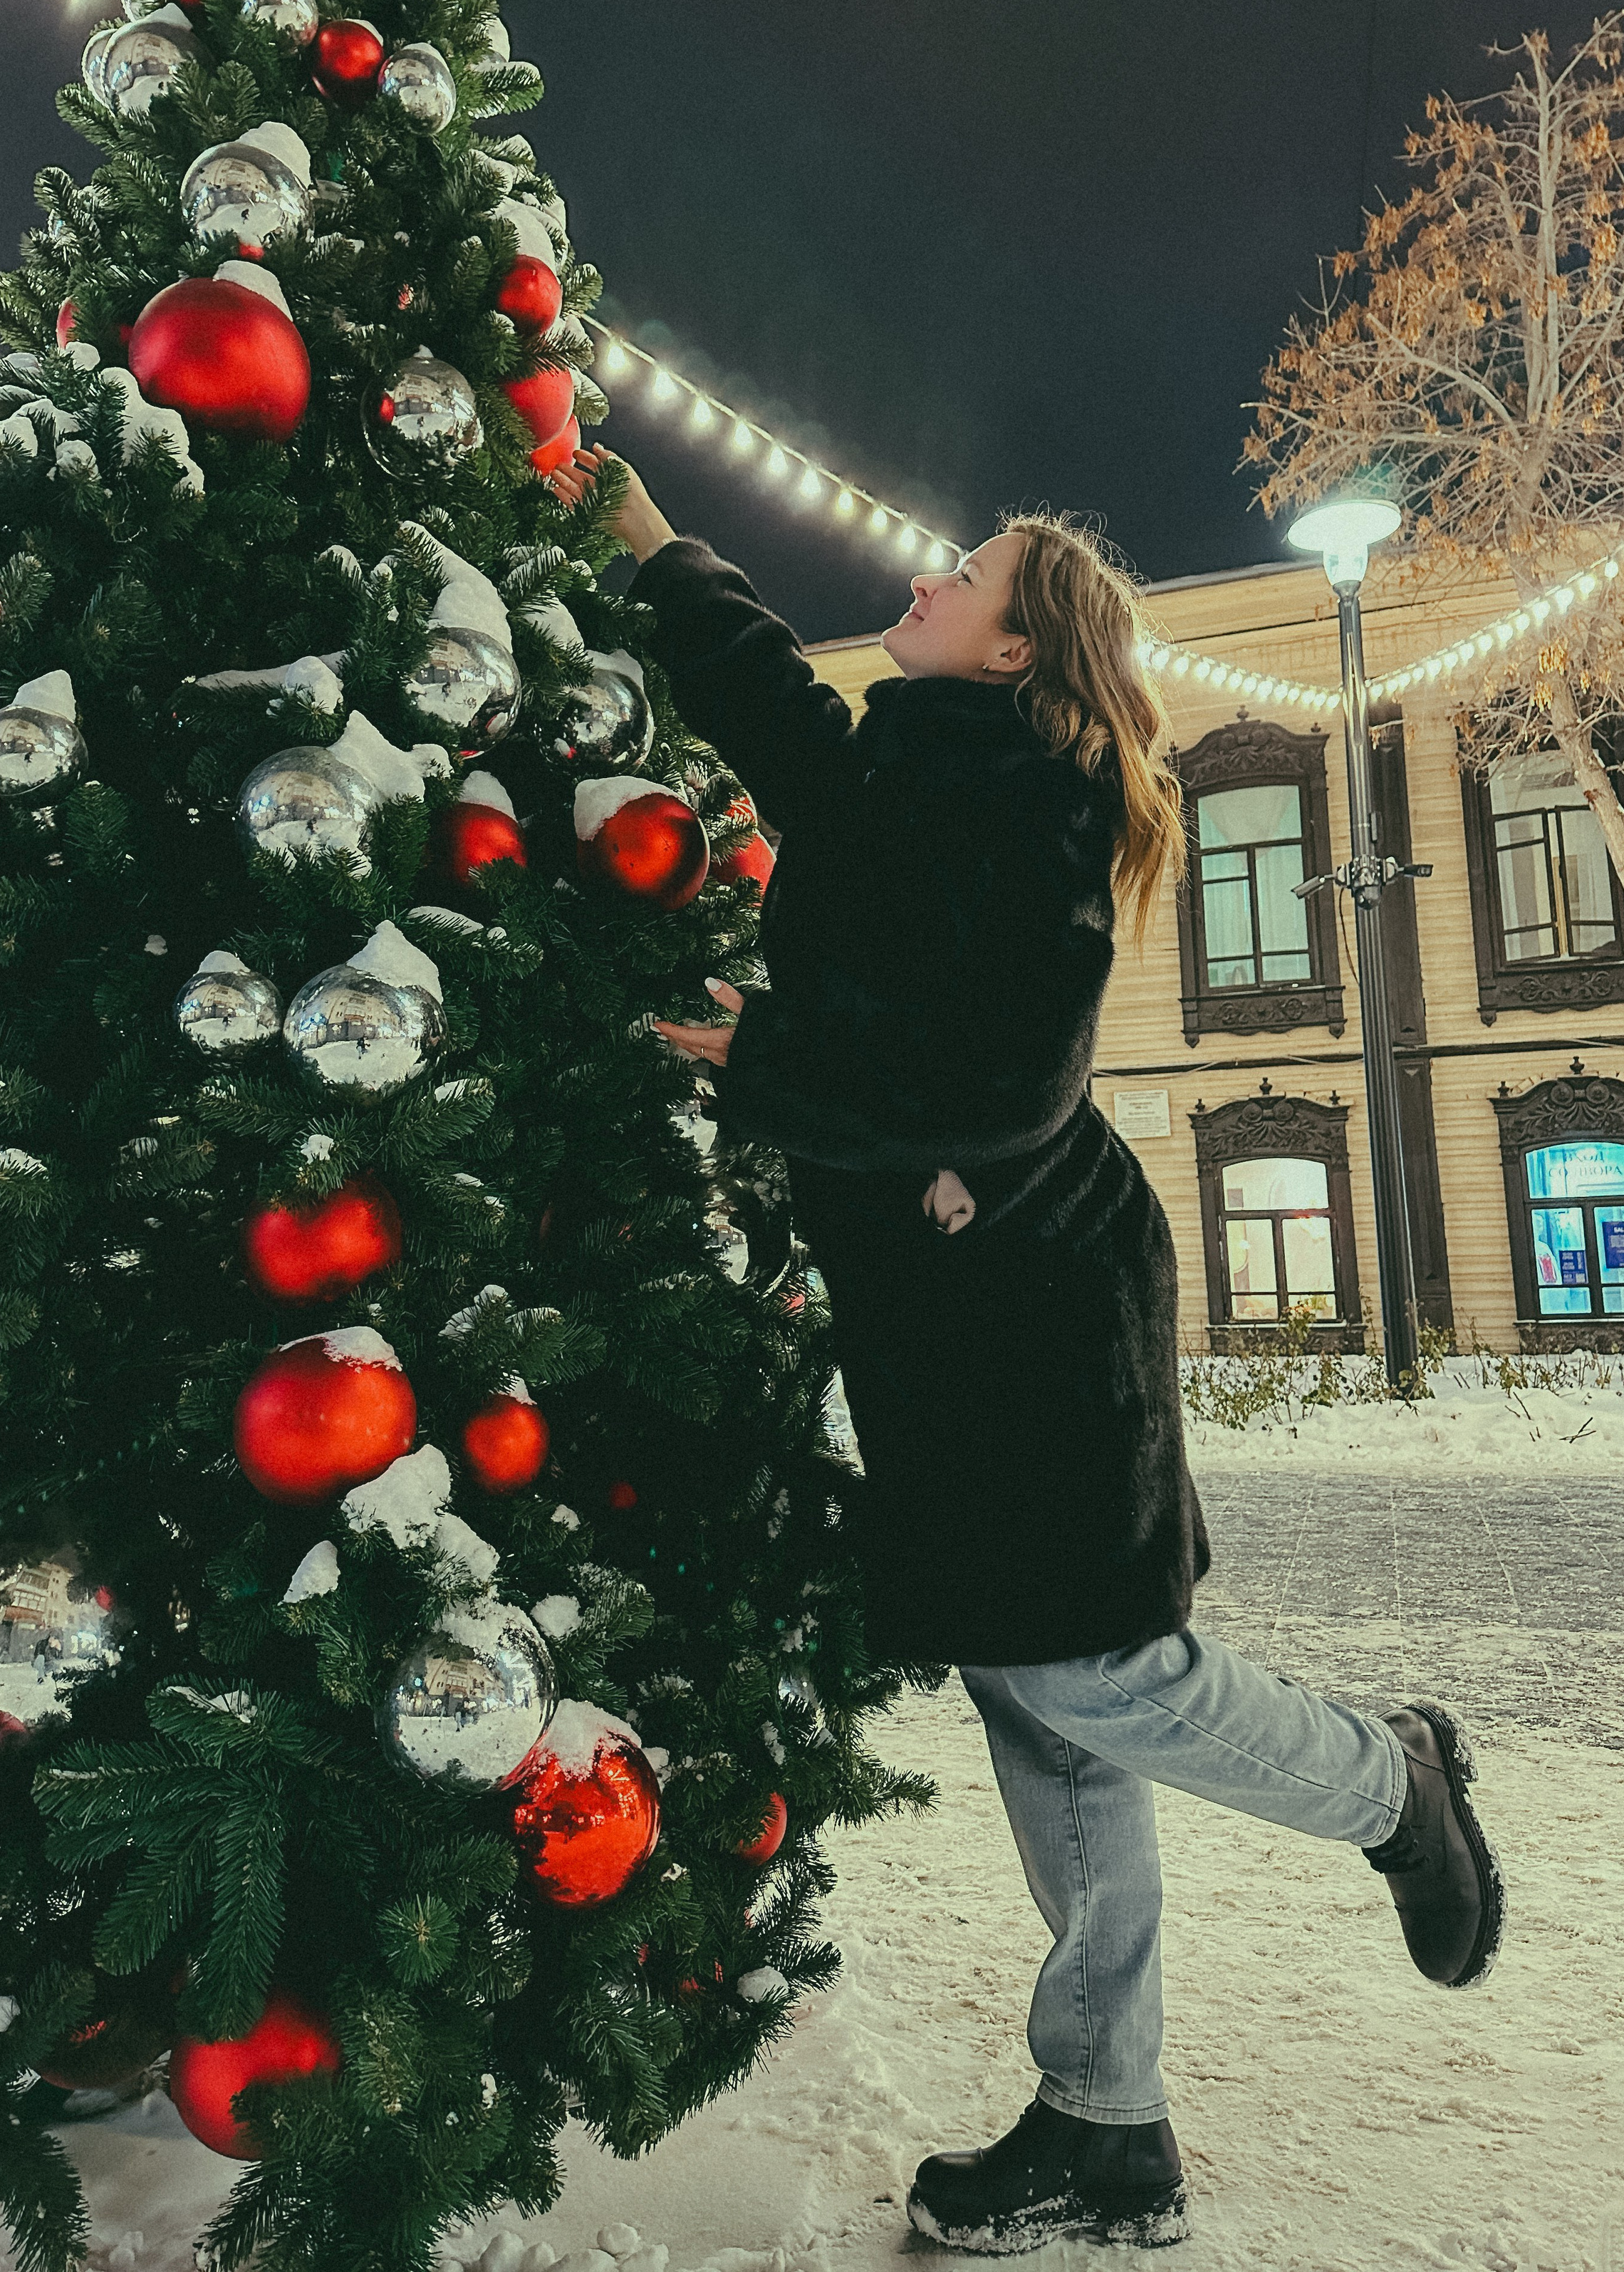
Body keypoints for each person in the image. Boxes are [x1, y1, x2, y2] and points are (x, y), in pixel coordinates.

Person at [549, 445, 1506, 2253]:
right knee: (1043, 1709)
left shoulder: (1039, 816)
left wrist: (770, 1069)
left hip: (1037, 1321)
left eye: (961, 574)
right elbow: (776, 710)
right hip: (957, 1317)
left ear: (1012, 652)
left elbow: (999, 1090)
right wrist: (653, 543)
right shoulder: (923, 766)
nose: (924, 580)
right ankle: (1104, 2125)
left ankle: (1396, 1780)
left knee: (1093, 1683)